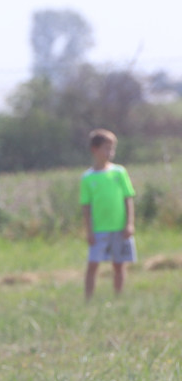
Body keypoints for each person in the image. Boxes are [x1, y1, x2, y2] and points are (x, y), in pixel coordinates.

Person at [80, 128, 136, 300]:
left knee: (119, 265)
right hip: (99, 230)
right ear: (94, 150)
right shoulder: (87, 178)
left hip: (119, 227)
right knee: (93, 265)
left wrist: (129, 223)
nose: (110, 152)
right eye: (107, 148)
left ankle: (118, 298)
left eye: (112, 148)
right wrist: (89, 230)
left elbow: (128, 198)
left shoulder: (119, 172)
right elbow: (86, 206)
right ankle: (88, 299)